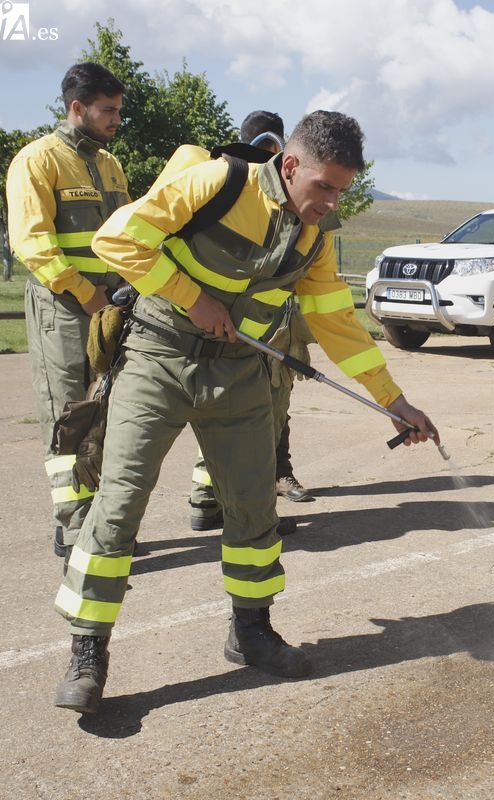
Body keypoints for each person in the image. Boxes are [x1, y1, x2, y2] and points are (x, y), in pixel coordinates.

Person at [52, 110, 440, 714]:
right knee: (119, 502)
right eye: (324, 186)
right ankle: (87, 650)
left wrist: (393, 400)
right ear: (290, 165)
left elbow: (337, 322)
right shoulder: (217, 182)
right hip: (157, 357)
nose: (331, 203)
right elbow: (116, 240)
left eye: (342, 190)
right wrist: (192, 299)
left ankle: (251, 630)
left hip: (239, 372)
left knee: (254, 508)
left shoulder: (315, 237)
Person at [6, 62, 129, 560]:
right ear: (77, 107)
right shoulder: (38, 160)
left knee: (110, 409)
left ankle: (99, 517)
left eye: (118, 110)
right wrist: (85, 292)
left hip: (112, 305)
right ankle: (76, 527)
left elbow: (126, 233)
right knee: (68, 412)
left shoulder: (110, 164)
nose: (116, 119)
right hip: (63, 306)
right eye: (108, 110)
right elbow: (32, 243)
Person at [188, 109, 314, 534]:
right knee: (251, 423)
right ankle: (246, 514)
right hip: (246, 334)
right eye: (264, 147)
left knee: (227, 417)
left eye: (274, 147)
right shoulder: (234, 189)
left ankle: (209, 500)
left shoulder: (224, 183)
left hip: (244, 331)